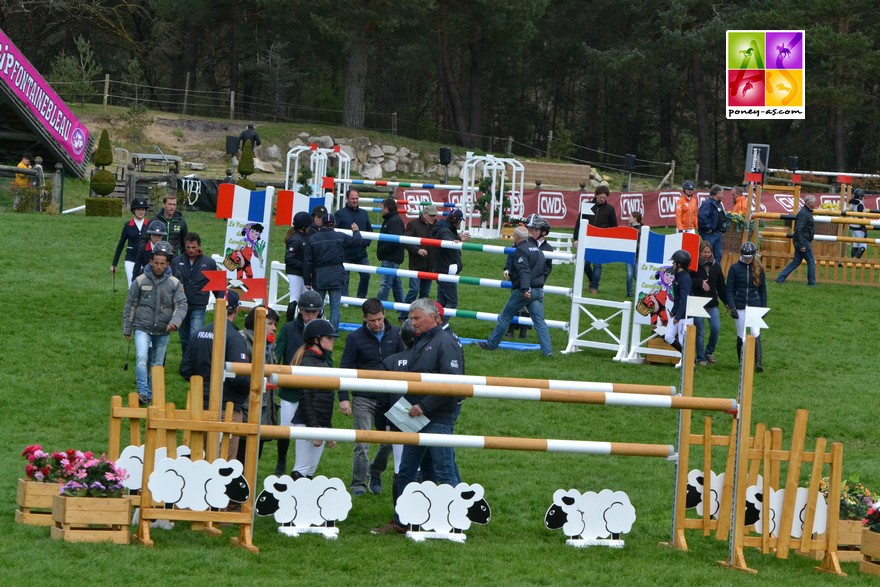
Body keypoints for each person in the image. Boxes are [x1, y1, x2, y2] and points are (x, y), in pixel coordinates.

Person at [372, 298, 464, 535]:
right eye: (411, 319)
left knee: (444, 470)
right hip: (417, 417)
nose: (412, 324)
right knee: (407, 470)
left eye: (416, 319)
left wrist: (424, 405)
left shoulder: (446, 342)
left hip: (436, 418)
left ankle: (456, 521)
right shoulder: (426, 340)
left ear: (434, 318)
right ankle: (402, 519)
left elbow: (453, 384)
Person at [340, 298, 405, 496]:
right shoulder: (354, 338)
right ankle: (358, 484)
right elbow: (345, 368)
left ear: (384, 314)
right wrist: (343, 397)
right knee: (362, 442)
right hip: (363, 398)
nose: (376, 324)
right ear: (364, 319)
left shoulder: (397, 335)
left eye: (379, 319)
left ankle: (375, 471)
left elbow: (404, 362)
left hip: (390, 397)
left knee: (389, 441)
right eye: (372, 321)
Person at [179, 291, 251, 458]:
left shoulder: (198, 334)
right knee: (224, 465)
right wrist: (246, 390)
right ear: (237, 309)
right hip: (227, 407)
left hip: (200, 406)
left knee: (198, 460)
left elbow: (185, 369)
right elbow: (240, 375)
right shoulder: (234, 337)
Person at [123, 241, 187, 405]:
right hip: (142, 327)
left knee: (157, 364)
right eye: (156, 263)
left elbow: (182, 305)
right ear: (151, 262)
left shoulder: (174, 283)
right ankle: (143, 392)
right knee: (141, 358)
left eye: (162, 264)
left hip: (163, 330)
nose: (159, 266)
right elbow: (131, 304)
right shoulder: (140, 280)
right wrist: (127, 328)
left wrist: (175, 323)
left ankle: (151, 395)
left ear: (167, 264)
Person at [290, 319, 351, 480]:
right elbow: (305, 399)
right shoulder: (309, 363)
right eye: (329, 338)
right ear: (316, 339)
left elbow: (323, 403)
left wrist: (327, 428)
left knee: (310, 470)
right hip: (308, 421)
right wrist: (315, 427)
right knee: (302, 469)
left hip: (317, 423)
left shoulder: (320, 362)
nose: (333, 341)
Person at [478, 226, 553, 357]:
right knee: (540, 322)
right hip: (538, 290)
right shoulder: (538, 250)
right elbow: (545, 269)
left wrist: (525, 289)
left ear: (517, 237)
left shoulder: (520, 251)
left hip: (524, 291)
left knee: (505, 316)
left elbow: (524, 271)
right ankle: (548, 352)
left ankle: (491, 344)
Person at [274, 289, 325, 474]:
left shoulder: (324, 330)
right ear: (300, 311)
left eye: (314, 312)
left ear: (319, 311)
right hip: (291, 390)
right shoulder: (288, 329)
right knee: (285, 429)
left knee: (309, 429)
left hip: (313, 392)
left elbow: (328, 360)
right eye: (307, 311)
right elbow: (277, 354)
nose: (310, 315)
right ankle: (281, 461)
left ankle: (305, 468)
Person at [240, 306, 288, 474]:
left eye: (274, 324)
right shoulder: (241, 341)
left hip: (264, 406)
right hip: (246, 407)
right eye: (270, 323)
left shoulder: (269, 344)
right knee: (240, 458)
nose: (274, 328)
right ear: (257, 323)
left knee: (254, 458)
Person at [303, 213, 362, 331]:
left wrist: (307, 281)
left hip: (319, 276)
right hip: (336, 275)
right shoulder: (340, 236)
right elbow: (357, 242)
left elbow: (308, 262)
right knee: (335, 307)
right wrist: (356, 231)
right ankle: (333, 333)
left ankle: (315, 331)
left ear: (321, 224)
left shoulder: (313, 239)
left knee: (317, 307)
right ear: (334, 223)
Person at [172, 233, 224, 358]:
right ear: (184, 246)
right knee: (184, 338)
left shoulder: (209, 263)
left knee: (194, 335)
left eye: (194, 247)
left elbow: (217, 286)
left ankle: (194, 363)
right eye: (188, 247)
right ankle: (187, 361)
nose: (191, 250)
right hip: (181, 306)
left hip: (198, 305)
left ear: (199, 246)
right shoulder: (176, 261)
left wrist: (222, 301)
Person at [726, 242, 767, 372]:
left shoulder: (759, 269)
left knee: (755, 333)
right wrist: (732, 307)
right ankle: (742, 363)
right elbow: (730, 289)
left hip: (755, 305)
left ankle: (758, 363)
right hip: (740, 306)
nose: (747, 259)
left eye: (749, 257)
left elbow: (763, 290)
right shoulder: (734, 268)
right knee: (741, 335)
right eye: (745, 257)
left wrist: (763, 308)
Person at [691, 241, 731, 366]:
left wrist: (727, 302)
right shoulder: (693, 266)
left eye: (708, 252)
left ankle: (709, 352)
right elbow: (688, 280)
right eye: (704, 252)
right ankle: (700, 356)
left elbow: (721, 286)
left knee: (716, 328)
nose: (706, 255)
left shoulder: (716, 266)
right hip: (697, 303)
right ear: (699, 252)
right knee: (700, 331)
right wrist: (700, 282)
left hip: (712, 303)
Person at [572, 185, 617, 293]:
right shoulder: (587, 206)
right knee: (585, 263)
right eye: (601, 197)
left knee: (597, 264)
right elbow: (579, 223)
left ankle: (594, 287)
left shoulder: (610, 209)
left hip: (601, 240)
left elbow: (614, 226)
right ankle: (592, 280)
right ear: (596, 195)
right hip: (586, 239)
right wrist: (576, 238)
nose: (602, 199)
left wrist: (611, 241)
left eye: (604, 198)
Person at [399, 205, 438, 322]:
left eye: (434, 215)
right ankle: (403, 315)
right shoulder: (413, 224)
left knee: (425, 294)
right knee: (414, 290)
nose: (433, 218)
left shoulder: (436, 226)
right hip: (416, 265)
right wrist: (417, 250)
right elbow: (405, 241)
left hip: (430, 266)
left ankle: (420, 317)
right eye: (431, 216)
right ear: (424, 214)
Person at [431, 208, 470, 321]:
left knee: (442, 302)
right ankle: (440, 325)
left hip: (442, 268)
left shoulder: (444, 227)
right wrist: (459, 239)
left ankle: (436, 325)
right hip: (446, 270)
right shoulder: (445, 230)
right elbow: (448, 242)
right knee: (452, 302)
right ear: (458, 222)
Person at [335, 189, 373, 299]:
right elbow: (335, 231)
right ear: (347, 199)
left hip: (361, 253)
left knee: (366, 275)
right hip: (345, 253)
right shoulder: (339, 214)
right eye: (352, 198)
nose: (355, 201)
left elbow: (370, 231)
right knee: (344, 278)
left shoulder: (364, 214)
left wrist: (364, 243)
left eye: (357, 198)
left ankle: (360, 298)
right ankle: (344, 299)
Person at [775, 194, 818, 286]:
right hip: (803, 241)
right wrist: (802, 245)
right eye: (815, 202)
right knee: (811, 261)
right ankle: (811, 283)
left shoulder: (805, 212)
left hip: (799, 240)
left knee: (796, 261)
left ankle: (780, 278)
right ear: (810, 203)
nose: (816, 204)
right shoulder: (805, 213)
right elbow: (798, 229)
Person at [376, 198, 406, 318]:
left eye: (382, 207)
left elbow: (394, 242)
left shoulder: (393, 221)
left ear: (387, 209)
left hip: (390, 258)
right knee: (396, 285)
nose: (381, 210)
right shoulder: (392, 220)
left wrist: (382, 251)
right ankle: (403, 308)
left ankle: (376, 308)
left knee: (385, 285)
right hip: (392, 257)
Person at [111, 197, 149, 286]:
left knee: (145, 286)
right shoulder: (128, 225)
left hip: (146, 259)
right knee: (132, 285)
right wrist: (114, 264)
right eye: (138, 209)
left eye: (143, 209)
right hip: (131, 259)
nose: (141, 212)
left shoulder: (149, 223)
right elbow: (121, 244)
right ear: (133, 210)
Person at [663, 249, 692, 354]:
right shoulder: (678, 276)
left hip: (684, 316)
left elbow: (685, 299)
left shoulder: (685, 278)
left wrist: (678, 316)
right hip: (678, 314)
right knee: (668, 337)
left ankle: (688, 363)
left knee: (682, 340)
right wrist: (674, 311)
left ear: (679, 264)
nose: (673, 263)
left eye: (674, 261)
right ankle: (685, 358)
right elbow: (677, 298)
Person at [283, 211, 312, 319]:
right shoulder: (295, 239)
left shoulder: (303, 236)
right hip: (295, 273)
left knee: (303, 300)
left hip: (301, 272)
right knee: (294, 299)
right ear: (304, 226)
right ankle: (289, 324)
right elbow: (289, 258)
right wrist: (305, 266)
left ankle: (300, 322)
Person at [698, 185, 727, 264]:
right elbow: (702, 217)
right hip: (709, 234)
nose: (723, 195)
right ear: (717, 193)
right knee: (708, 255)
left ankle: (716, 272)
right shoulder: (708, 204)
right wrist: (709, 227)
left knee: (718, 255)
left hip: (717, 233)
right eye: (722, 193)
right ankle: (707, 271)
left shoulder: (718, 204)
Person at [625, 211, 643, 298]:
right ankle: (629, 293)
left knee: (636, 275)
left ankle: (641, 291)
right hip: (629, 255)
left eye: (630, 216)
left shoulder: (642, 229)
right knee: (629, 275)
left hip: (638, 255)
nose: (629, 218)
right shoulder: (629, 228)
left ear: (635, 218)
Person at [849, 188, 867, 259]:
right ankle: (856, 258)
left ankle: (853, 261)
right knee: (863, 245)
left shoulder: (852, 203)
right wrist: (863, 227)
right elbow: (860, 217)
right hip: (858, 227)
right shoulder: (860, 204)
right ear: (860, 197)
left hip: (853, 226)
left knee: (855, 244)